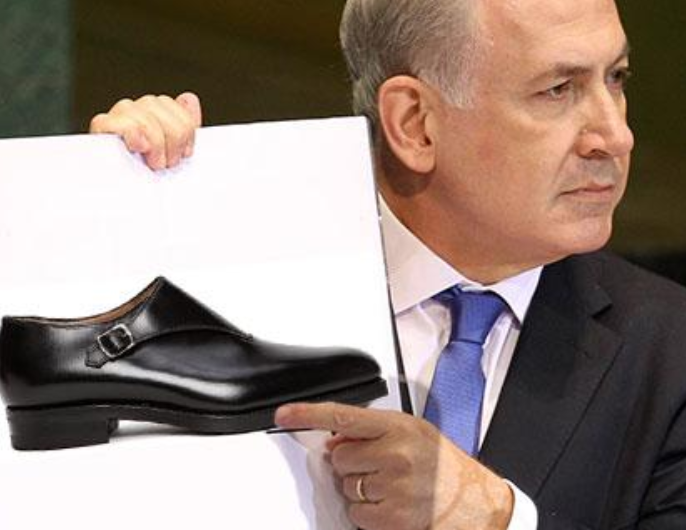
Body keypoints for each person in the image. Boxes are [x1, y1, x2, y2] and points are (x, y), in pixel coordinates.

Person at [88, 1, 686, 529]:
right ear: (413, 123)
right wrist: (108, 210)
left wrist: (497, 520)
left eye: (616, 78)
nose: (616, 135)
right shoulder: (238, 275)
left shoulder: (672, 354)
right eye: (558, 90)